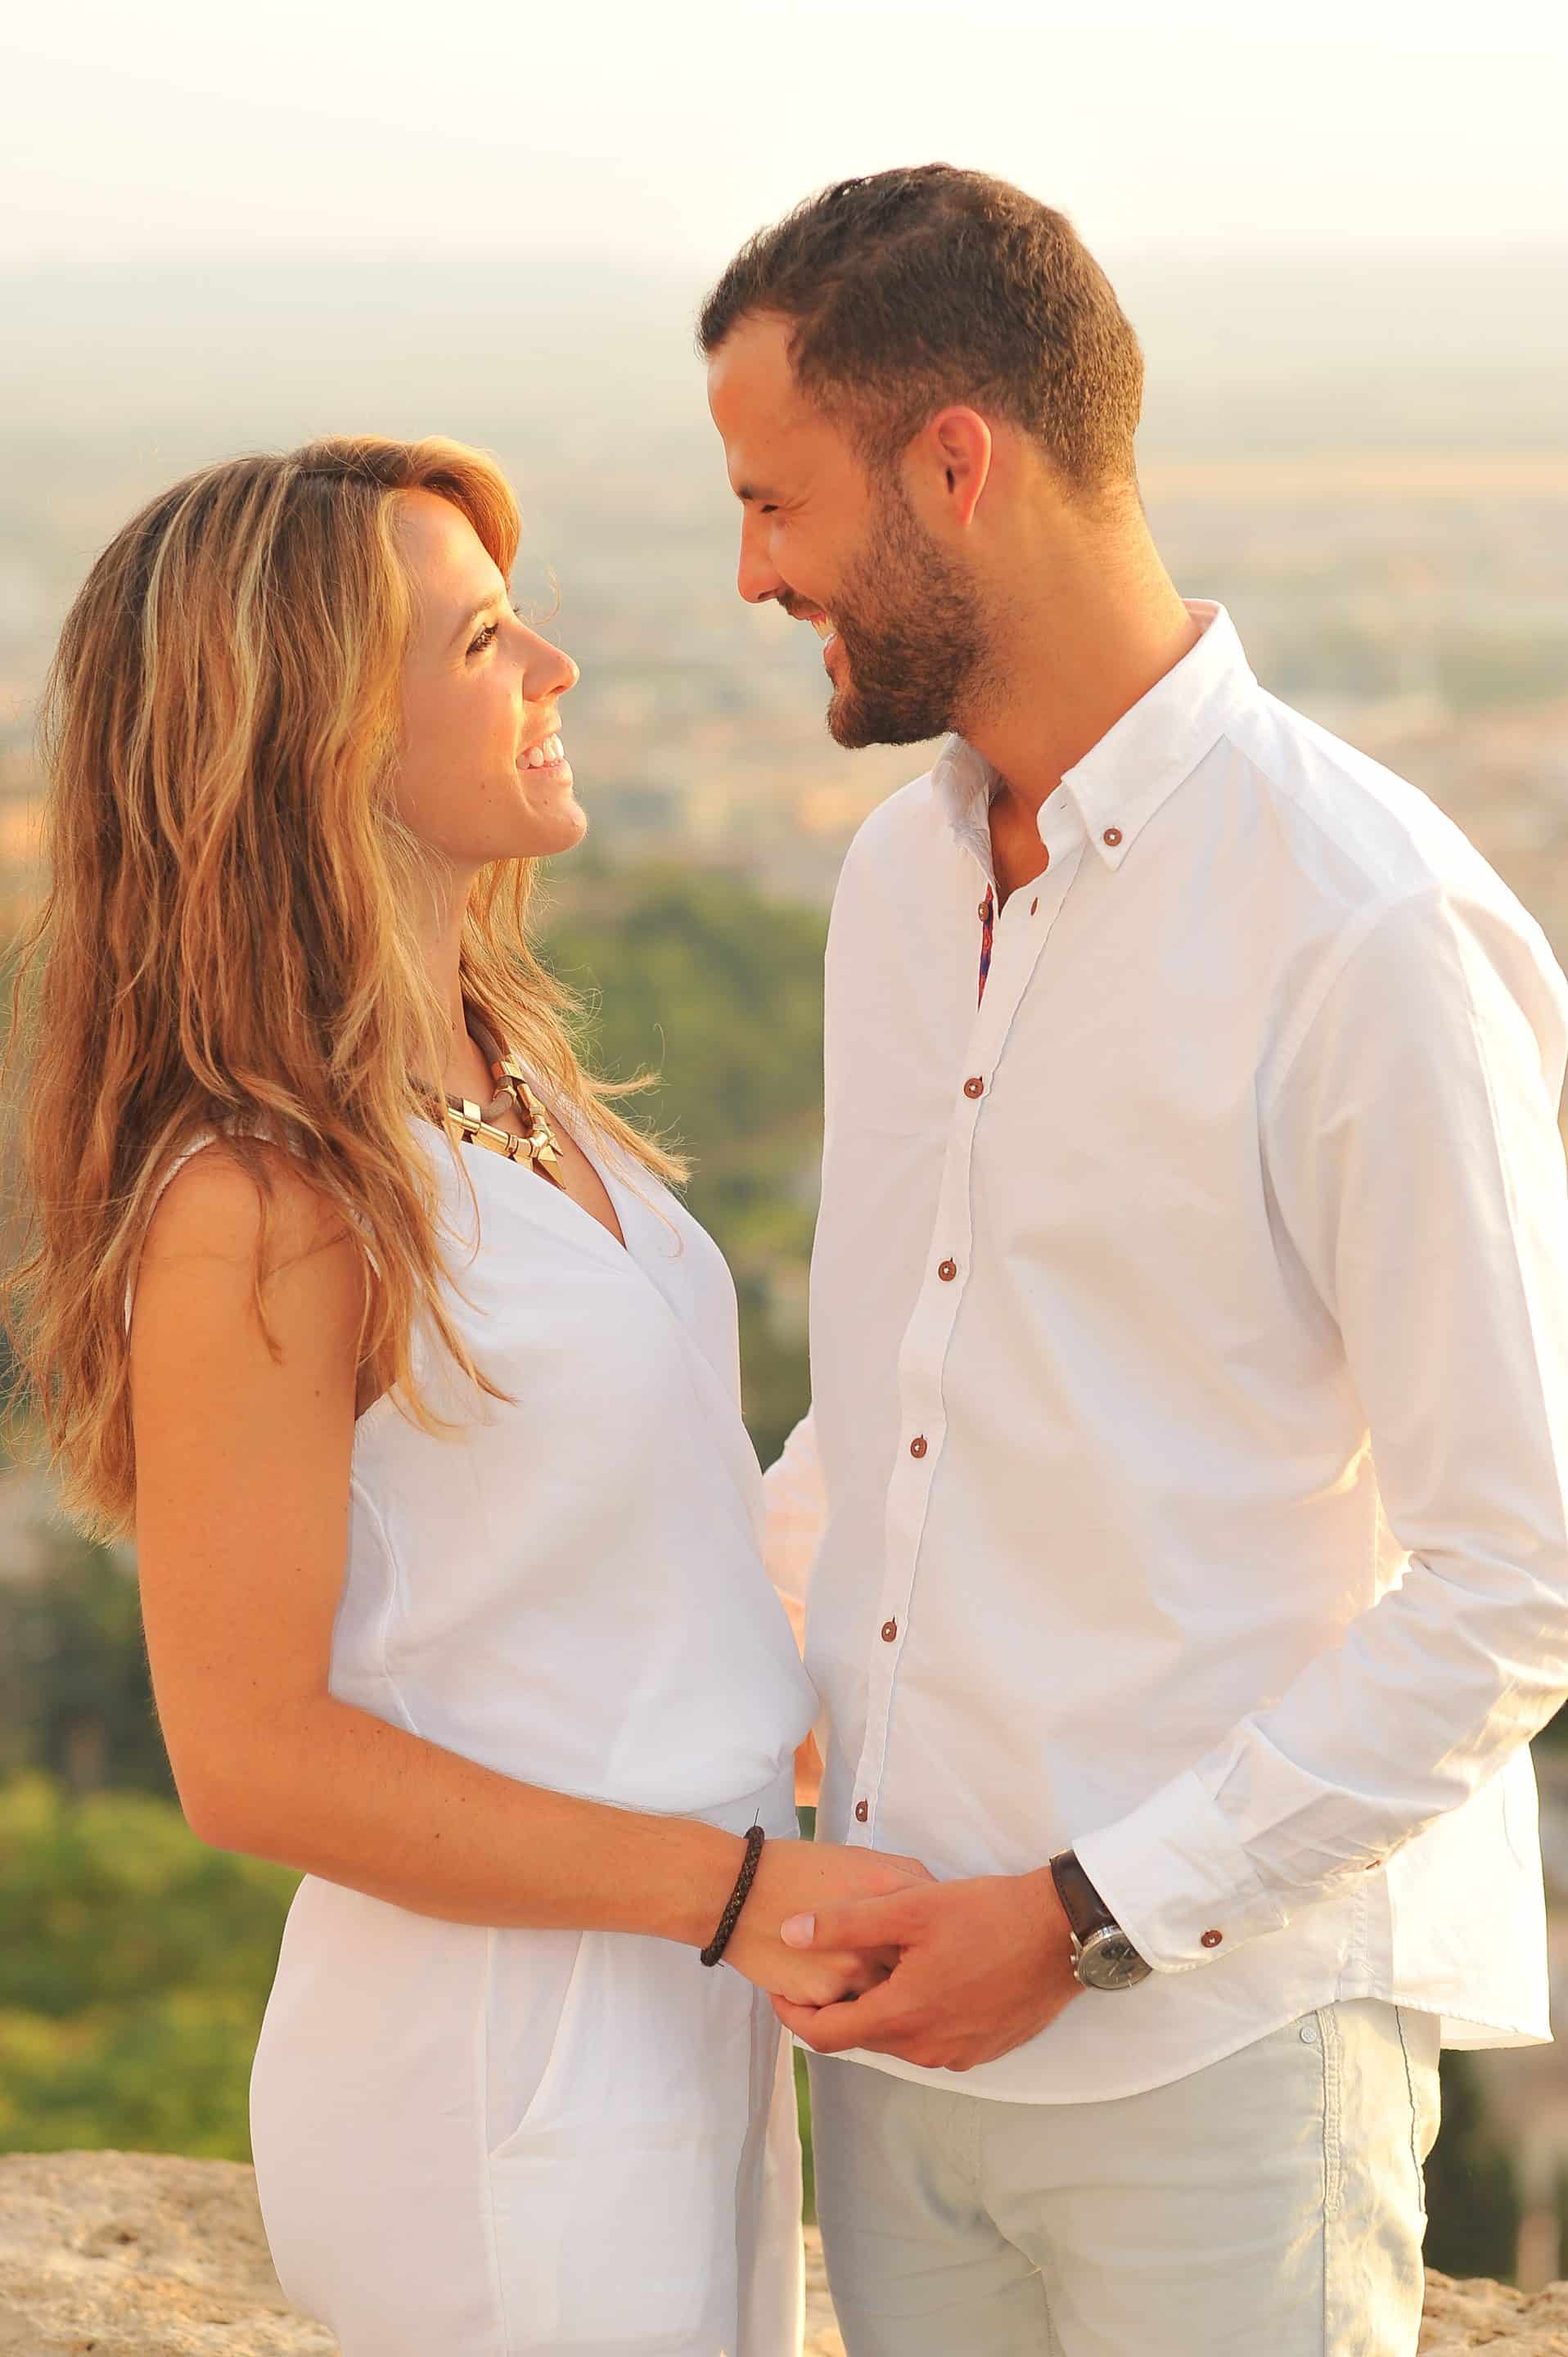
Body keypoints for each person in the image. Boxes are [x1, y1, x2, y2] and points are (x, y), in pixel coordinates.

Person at [701, 167, 1568, 2355]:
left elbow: (1518, 1573)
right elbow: (896, 1416)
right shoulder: (891, 893)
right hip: (894, 2031)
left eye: (776, 502)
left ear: (954, 464)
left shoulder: (1365, 923)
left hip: (1219, 2063)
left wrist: (1083, 1917)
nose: (752, 574)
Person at [0, 435, 930, 2356]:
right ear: (317, 733)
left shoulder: (501, 1067)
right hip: (503, 2049)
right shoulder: (263, 1194)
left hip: (681, 1990)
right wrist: (736, 1893)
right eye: (488, 639)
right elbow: (249, 1756)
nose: (556, 668)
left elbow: (599, 1547)